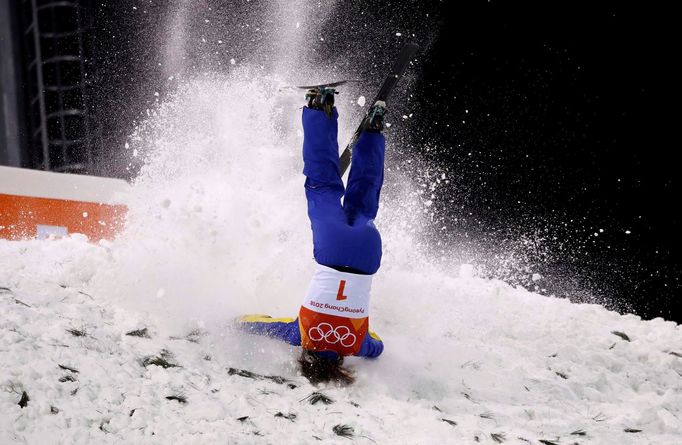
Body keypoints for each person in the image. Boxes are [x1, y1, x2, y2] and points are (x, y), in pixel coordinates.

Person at [236, 86, 387, 385]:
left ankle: (374, 131)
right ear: (305, 358)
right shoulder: (301, 335)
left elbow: (377, 346)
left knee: (364, 199)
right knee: (322, 184)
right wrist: (235, 323)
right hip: (332, 249)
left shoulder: (357, 345)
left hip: (368, 254)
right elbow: (261, 324)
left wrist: (354, 337)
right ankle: (319, 107)